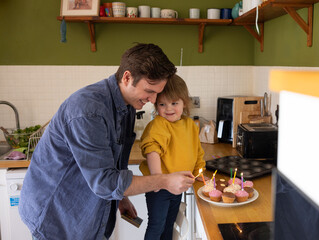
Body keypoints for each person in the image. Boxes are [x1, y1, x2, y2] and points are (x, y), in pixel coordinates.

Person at [19, 43, 195, 240]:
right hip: (57, 216)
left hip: (89, 214)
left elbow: (113, 164)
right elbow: (104, 182)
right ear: (127, 77)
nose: (153, 100)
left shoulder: (127, 107)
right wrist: (164, 181)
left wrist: (121, 196)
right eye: (149, 91)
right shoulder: (87, 111)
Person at [139, 74, 206, 239]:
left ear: (184, 102)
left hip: (178, 185)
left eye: (174, 103)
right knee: (156, 226)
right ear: (156, 105)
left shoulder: (190, 125)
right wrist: (156, 177)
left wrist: (200, 171)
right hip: (160, 188)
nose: (168, 109)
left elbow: (197, 150)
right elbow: (152, 150)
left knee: (169, 224)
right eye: (162, 104)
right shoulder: (159, 124)